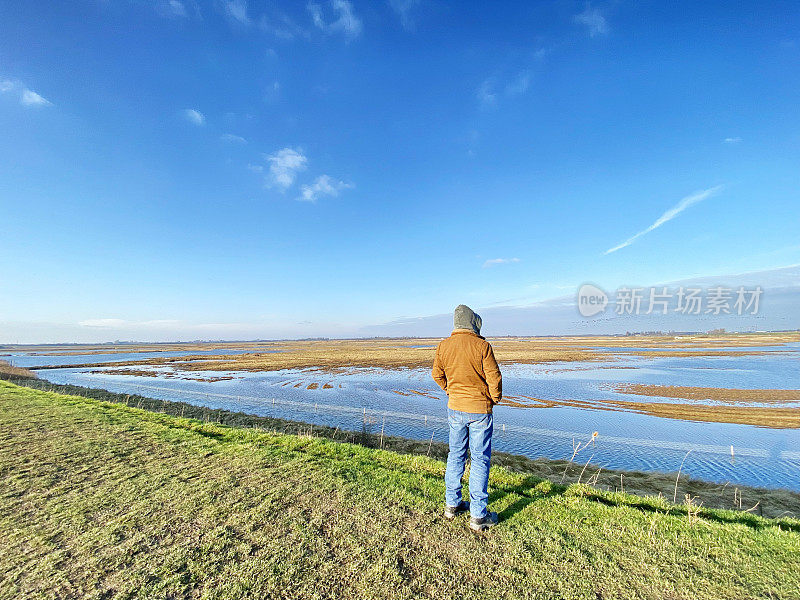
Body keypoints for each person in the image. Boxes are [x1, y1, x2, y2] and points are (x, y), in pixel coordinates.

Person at [432, 304, 502, 531]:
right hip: (480, 410)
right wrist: (493, 398)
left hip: (455, 408)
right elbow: (494, 377)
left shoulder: (444, 346)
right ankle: (478, 516)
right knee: (480, 459)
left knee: (456, 455)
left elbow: (437, 375)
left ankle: (452, 505)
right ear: (473, 322)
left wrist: (450, 390)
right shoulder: (482, 346)